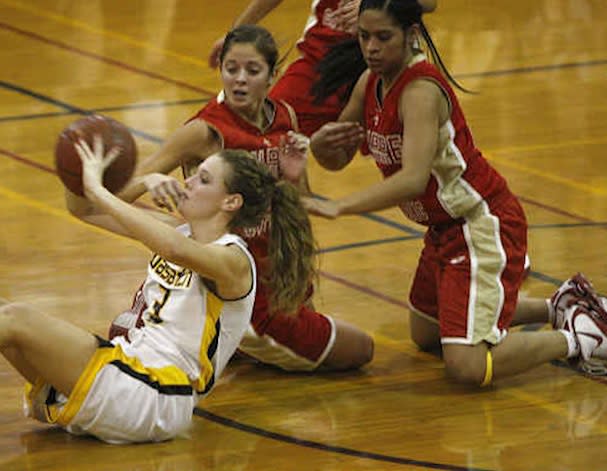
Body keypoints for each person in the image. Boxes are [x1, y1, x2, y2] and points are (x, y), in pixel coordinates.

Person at [305, 0, 607, 385]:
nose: (371, 47)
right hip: (442, 231)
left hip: (479, 224)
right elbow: (337, 157)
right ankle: (560, 303)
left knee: (467, 366)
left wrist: (339, 207)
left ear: (411, 35)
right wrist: (323, 147)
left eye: (383, 37)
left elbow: (412, 180)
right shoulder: (369, 83)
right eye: (363, 36)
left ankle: (583, 338)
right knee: (426, 333)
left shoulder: (420, 90)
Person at [0, 138, 316, 443]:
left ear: (231, 202)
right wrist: (142, 181)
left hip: (157, 392)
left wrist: (99, 189)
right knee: (4, 312)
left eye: (203, 179)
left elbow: (173, 249)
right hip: (129, 369)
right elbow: (81, 207)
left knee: (15, 319)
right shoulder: (177, 231)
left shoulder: (234, 259)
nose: (189, 181)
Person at [117, 24, 373, 372]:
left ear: (272, 75)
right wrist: (150, 179)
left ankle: (229, 339)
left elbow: (297, 208)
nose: (239, 79)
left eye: (252, 71)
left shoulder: (286, 117)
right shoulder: (204, 130)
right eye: (231, 68)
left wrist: (295, 178)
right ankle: (217, 329)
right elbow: (122, 190)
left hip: (274, 273)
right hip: (234, 282)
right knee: (361, 350)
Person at [207, 0, 437, 136]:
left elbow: (429, 2)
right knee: (264, 134)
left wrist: (374, 4)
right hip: (322, 62)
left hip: (389, 62)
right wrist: (235, 33)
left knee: (420, 161)